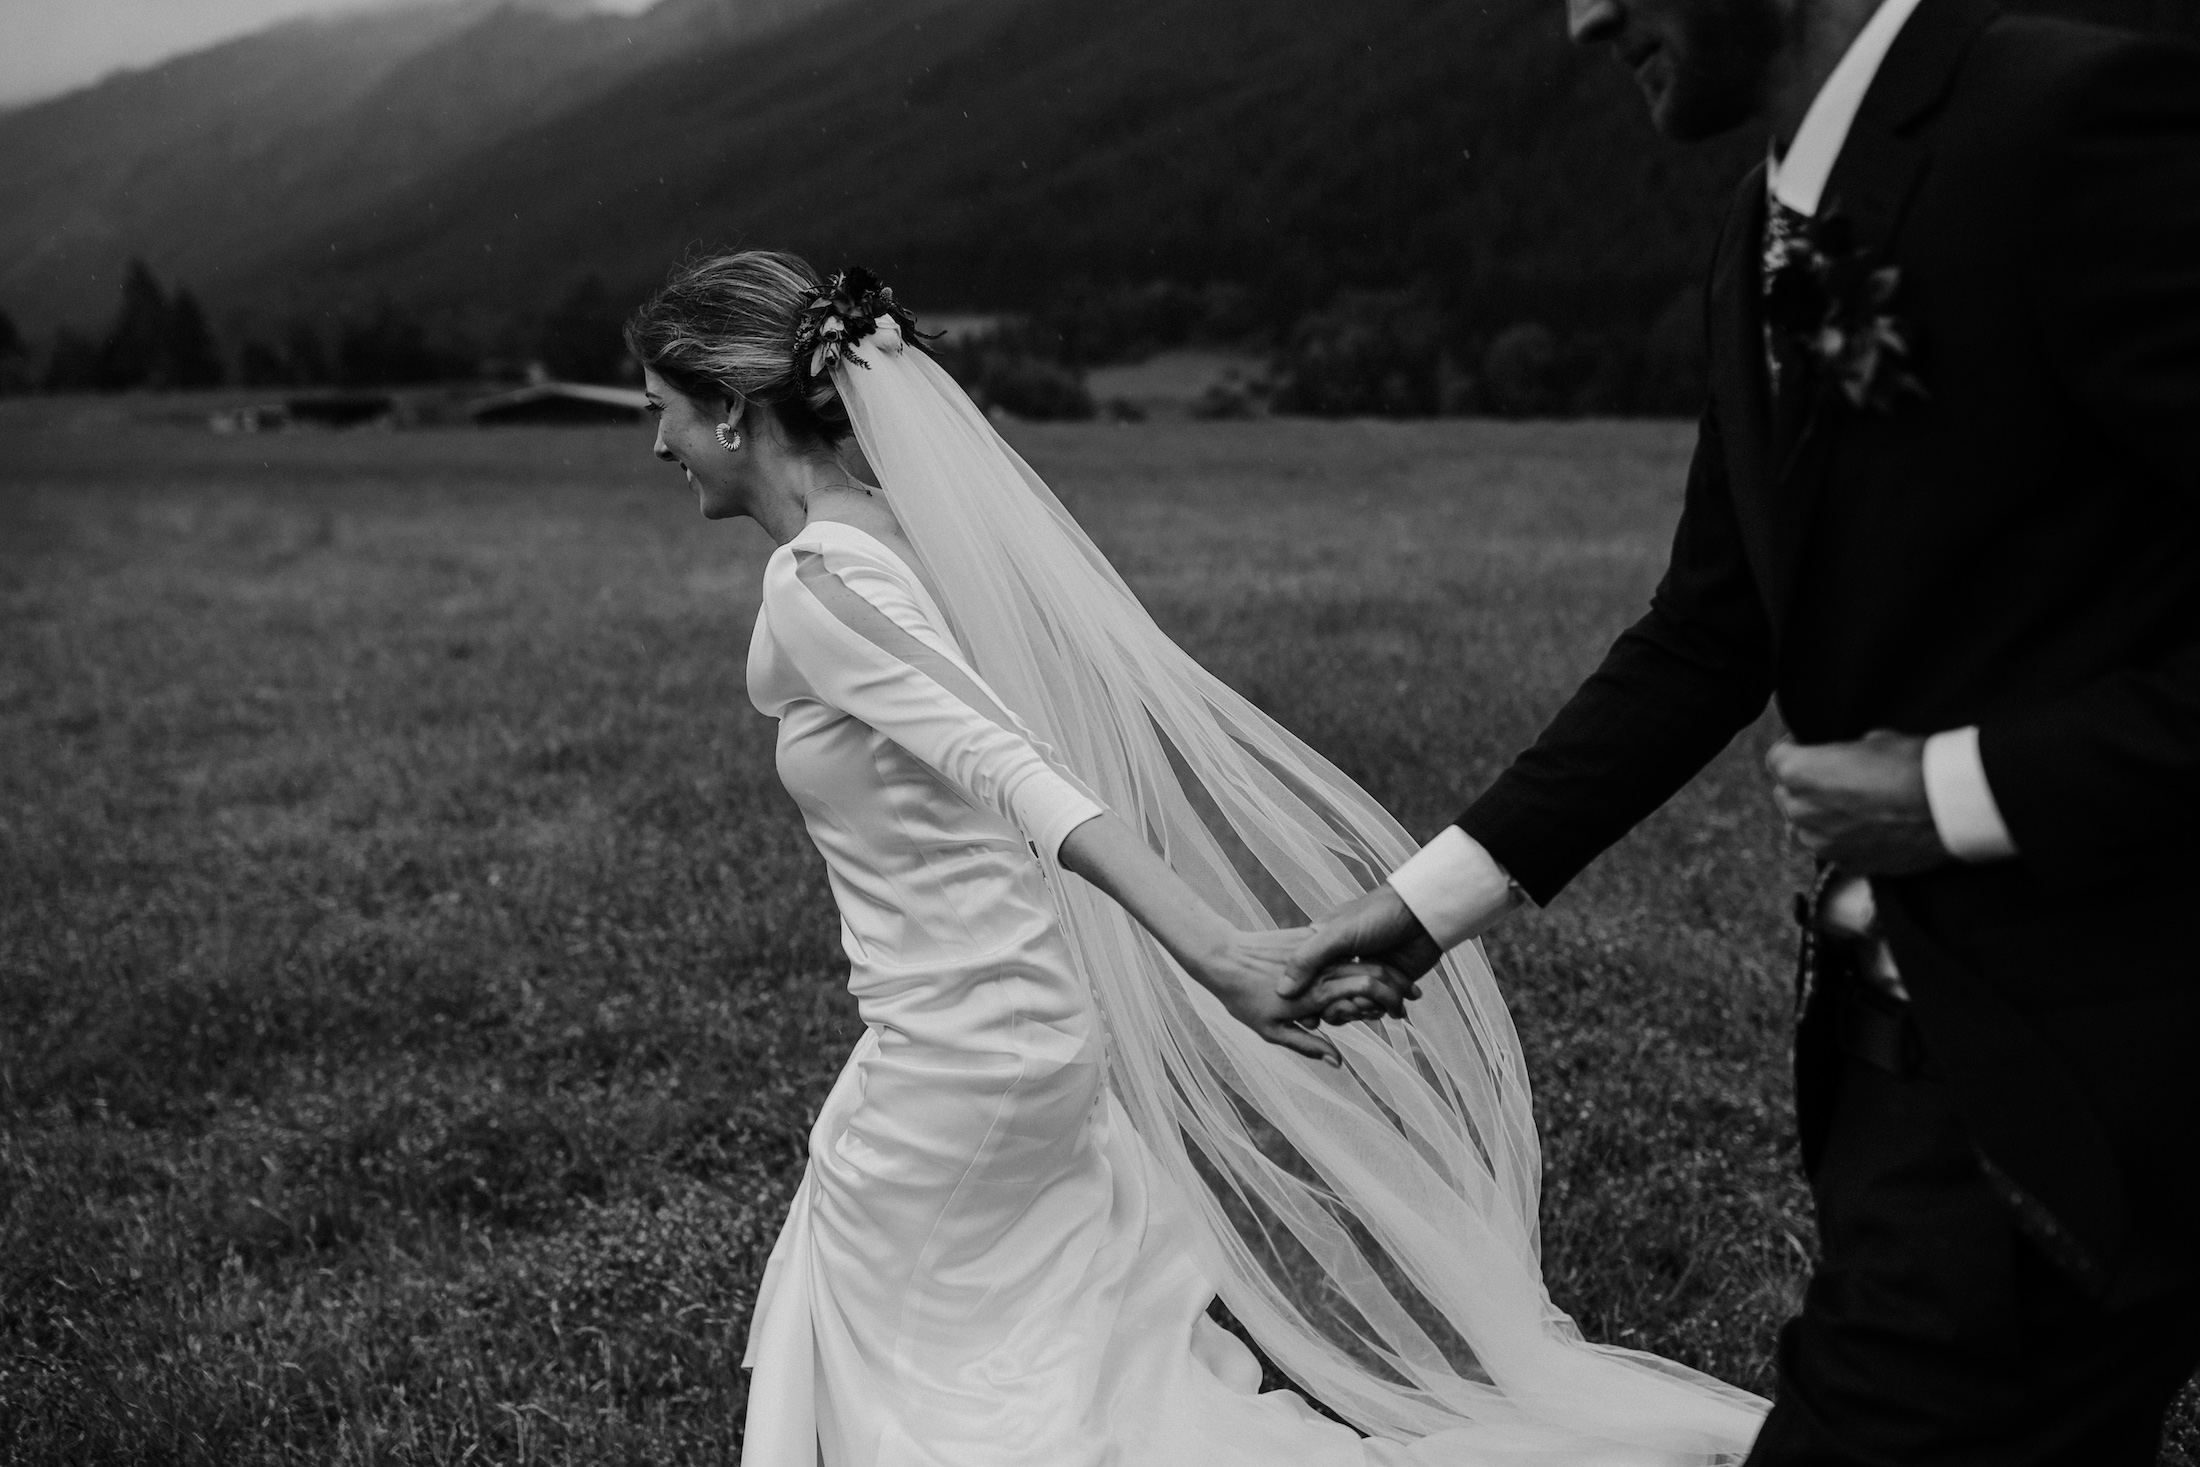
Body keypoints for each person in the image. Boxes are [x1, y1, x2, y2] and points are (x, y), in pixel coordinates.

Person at [627, 252, 1768, 1465]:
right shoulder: (902, 536)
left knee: (956, 1392)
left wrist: (1214, 951)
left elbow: (1010, 764)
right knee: (1029, 1367)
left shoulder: (819, 578)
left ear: (734, 410)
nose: (656, 444)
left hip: (962, 1055)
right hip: (984, 1032)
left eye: (662, 409)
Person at [1286, 0, 2200, 1461]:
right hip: (1911, 1077)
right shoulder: (1759, 233)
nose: (1582, 21)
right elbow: (1713, 630)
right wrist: (1422, 907)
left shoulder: (2073, 123)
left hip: (2080, 1089)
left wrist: (1959, 791)